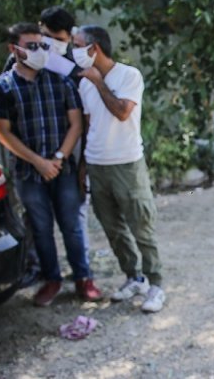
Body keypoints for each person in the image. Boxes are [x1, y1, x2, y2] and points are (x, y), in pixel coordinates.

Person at [0, 22, 101, 306]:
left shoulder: (60, 81)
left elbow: (76, 124)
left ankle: (83, 278)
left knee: (72, 226)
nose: (39, 51)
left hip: (62, 168)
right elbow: (3, 133)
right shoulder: (1, 87)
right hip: (28, 173)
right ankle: (52, 279)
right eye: (31, 46)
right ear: (13, 49)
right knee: (40, 229)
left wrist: (57, 158)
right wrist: (39, 162)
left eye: (42, 45)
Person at [72, 25, 165, 313]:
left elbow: (122, 112)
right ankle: (133, 277)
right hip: (97, 166)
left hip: (126, 165)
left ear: (94, 48)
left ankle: (156, 285)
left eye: (77, 45)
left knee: (141, 227)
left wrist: (99, 82)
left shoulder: (128, 75)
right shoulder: (84, 83)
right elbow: (89, 127)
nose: (73, 51)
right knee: (114, 229)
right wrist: (83, 167)